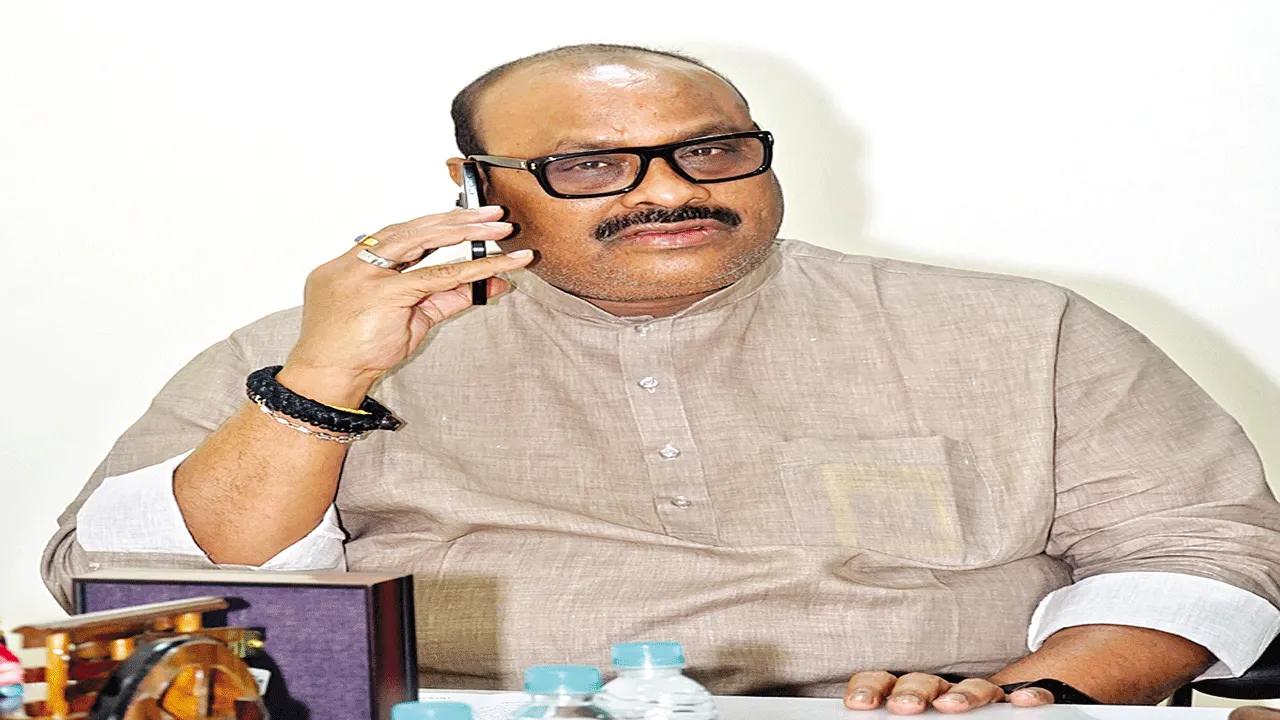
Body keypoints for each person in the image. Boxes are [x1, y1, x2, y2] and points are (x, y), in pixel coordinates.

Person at [42, 44, 1280, 712]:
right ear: (476, 187)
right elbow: (139, 603)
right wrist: (321, 382)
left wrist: (1026, 698)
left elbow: (1206, 550)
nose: (667, 190)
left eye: (711, 150)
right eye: (591, 165)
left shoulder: (1020, 331)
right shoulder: (321, 344)